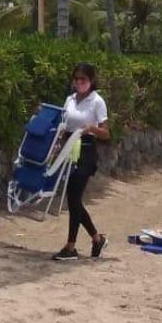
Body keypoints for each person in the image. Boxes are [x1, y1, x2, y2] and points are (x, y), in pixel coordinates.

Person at [52, 63, 111, 261]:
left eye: (83, 79)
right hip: (69, 147)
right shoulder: (70, 99)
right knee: (73, 198)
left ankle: (71, 246)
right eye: (76, 79)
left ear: (91, 81)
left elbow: (106, 132)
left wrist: (91, 128)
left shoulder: (97, 102)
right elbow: (64, 123)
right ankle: (96, 238)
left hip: (85, 150)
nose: (79, 83)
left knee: (74, 195)